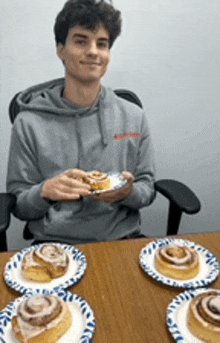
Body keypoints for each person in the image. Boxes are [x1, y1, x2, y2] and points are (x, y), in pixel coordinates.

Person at [6, 0, 156, 245]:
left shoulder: (133, 116)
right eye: (81, 41)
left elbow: (147, 190)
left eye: (102, 44)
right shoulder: (29, 122)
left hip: (120, 240)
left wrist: (127, 193)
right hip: (54, 244)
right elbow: (20, 207)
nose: (93, 51)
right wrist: (44, 192)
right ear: (61, 49)